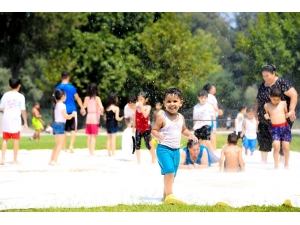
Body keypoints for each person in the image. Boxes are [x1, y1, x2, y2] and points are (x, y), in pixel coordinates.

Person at [152, 88, 198, 204]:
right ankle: (170, 195)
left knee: (171, 174)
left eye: (175, 101)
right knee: (169, 170)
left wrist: (190, 134)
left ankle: (165, 196)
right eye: (169, 101)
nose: (172, 104)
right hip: (163, 149)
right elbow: (154, 130)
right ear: (164, 103)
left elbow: (184, 129)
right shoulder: (162, 118)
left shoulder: (181, 117)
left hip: (176, 151)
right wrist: (158, 135)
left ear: (180, 103)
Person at [253, 64, 298, 164]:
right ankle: (263, 160)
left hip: (281, 118)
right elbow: (258, 100)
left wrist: (291, 110)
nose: (265, 78)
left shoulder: (281, 83)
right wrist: (255, 113)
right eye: (263, 76)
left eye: (267, 75)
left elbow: (294, 94)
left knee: (282, 141)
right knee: (264, 136)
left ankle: (282, 161)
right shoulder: (262, 85)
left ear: (274, 73)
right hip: (265, 118)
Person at [55, 71, 86, 153]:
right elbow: (78, 98)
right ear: (68, 77)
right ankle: (71, 146)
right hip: (72, 110)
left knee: (63, 129)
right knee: (73, 129)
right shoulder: (71, 87)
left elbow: (55, 100)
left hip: (62, 110)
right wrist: (82, 107)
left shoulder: (57, 87)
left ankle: (64, 147)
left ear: (61, 77)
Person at [0, 78, 28, 165]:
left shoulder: (5, 95)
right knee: (16, 140)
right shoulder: (21, 96)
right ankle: (15, 160)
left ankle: (3, 159)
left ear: (9, 85)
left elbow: (1, 107)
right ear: (19, 86)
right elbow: (23, 110)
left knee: (5, 139)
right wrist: (25, 122)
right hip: (16, 120)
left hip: (6, 119)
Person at [264, 87, 291, 169]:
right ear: (270, 97)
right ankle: (276, 165)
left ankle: (286, 164)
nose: (275, 101)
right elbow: (267, 115)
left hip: (285, 127)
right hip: (274, 128)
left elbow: (286, 113)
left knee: (286, 147)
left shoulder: (283, 103)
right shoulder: (267, 105)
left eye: (277, 99)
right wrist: (266, 116)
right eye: (274, 99)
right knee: (276, 146)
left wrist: (288, 114)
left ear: (280, 98)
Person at [49, 89, 76, 166]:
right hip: (60, 125)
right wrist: (73, 115)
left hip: (56, 124)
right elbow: (66, 116)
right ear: (63, 96)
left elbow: (56, 116)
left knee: (57, 144)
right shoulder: (62, 105)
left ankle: (51, 160)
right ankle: (54, 160)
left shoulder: (56, 105)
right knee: (60, 145)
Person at [193, 89, 218, 162]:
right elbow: (194, 118)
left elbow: (213, 117)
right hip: (197, 126)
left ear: (207, 98)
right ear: (198, 98)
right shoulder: (196, 107)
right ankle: (199, 156)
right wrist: (194, 127)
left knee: (207, 141)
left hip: (206, 125)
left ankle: (213, 156)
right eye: (201, 98)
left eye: (204, 98)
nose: (203, 99)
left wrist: (215, 127)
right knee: (198, 142)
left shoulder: (209, 106)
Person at [133, 91, 156, 164]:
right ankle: (138, 161)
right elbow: (135, 116)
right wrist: (134, 126)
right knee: (137, 144)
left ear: (146, 100)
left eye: (141, 99)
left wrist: (141, 107)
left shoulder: (148, 107)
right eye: (138, 99)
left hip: (146, 128)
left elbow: (145, 115)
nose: (139, 101)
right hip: (138, 128)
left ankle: (153, 157)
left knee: (148, 144)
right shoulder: (136, 107)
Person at [83, 83, 104, 156]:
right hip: (95, 116)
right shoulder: (97, 98)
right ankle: (92, 152)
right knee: (93, 135)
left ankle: (89, 151)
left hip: (89, 116)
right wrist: (101, 111)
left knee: (89, 135)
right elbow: (101, 107)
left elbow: (84, 107)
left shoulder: (86, 98)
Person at [203, 83, 224, 152]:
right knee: (213, 132)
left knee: (212, 132)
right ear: (210, 90)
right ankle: (213, 149)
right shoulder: (210, 96)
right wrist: (219, 111)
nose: (215, 89)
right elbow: (211, 106)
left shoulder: (209, 96)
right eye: (213, 88)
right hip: (211, 117)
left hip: (212, 116)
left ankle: (212, 149)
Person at [104, 92, 123, 157]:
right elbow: (117, 118)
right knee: (113, 139)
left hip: (108, 124)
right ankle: (113, 153)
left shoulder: (107, 108)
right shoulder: (116, 108)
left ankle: (108, 153)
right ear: (115, 99)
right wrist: (121, 118)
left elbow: (105, 118)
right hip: (113, 124)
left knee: (108, 138)